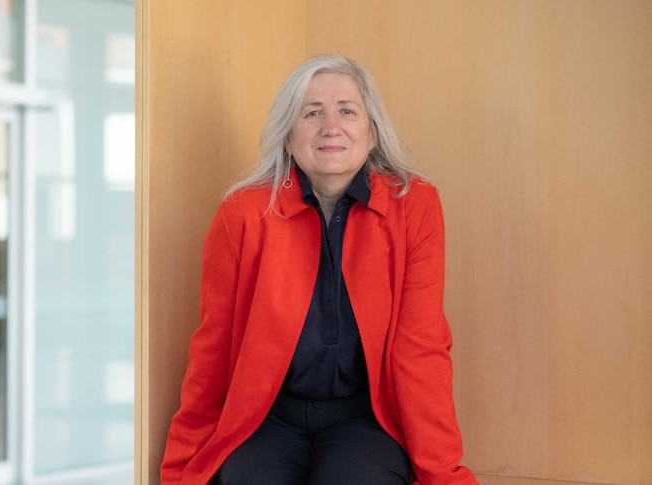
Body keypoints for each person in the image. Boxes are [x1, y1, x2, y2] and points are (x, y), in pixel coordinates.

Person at [161, 55, 477, 485]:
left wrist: (443, 476)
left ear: (372, 133)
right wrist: (180, 471)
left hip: (365, 420)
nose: (332, 126)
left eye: (347, 110)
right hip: (265, 419)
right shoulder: (242, 214)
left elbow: (421, 351)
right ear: (288, 136)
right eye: (312, 113)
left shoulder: (415, 208)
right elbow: (212, 350)